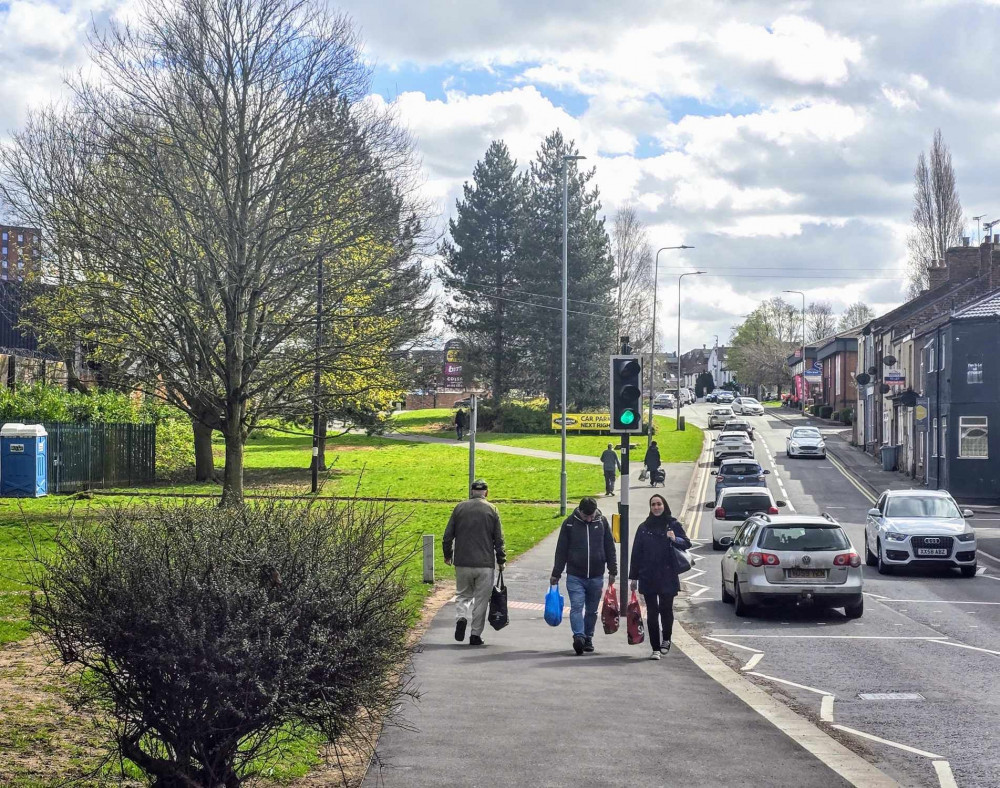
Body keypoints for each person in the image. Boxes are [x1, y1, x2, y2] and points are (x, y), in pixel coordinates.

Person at [550, 497, 617, 655]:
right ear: (580, 511)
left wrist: (613, 570)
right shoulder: (569, 524)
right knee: (576, 607)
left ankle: (588, 637)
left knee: (592, 611)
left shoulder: (602, 523)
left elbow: (609, 547)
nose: (589, 518)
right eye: (586, 516)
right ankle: (578, 636)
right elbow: (561, 550)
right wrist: (556, 573)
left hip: (596, 575)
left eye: (591, 515)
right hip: (575, 575)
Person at [443, 479, 505, 646]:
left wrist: (447, 555)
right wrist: (501, 560)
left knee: (463, 594)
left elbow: (447, 536)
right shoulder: (492, 510)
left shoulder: (459, 508)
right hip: (485, 564)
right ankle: (475, 635)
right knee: (481, 600)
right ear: (486, 492)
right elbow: (498, 539)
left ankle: (461, 617)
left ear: (471, 491)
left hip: (462, 562)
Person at [629, 495, 691, 660]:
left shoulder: (673, 524)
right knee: (652, 612)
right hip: (648, 574)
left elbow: (686, 543)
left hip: (667, 573)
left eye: (659, 504)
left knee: (666, 609)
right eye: (653, 505)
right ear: (650, 507)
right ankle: (655, 648)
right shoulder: (643, 528)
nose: (656, 507)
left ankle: (667, 639)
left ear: (664, 505)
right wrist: (633, 578)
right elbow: (636, 554)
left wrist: (674, 538)